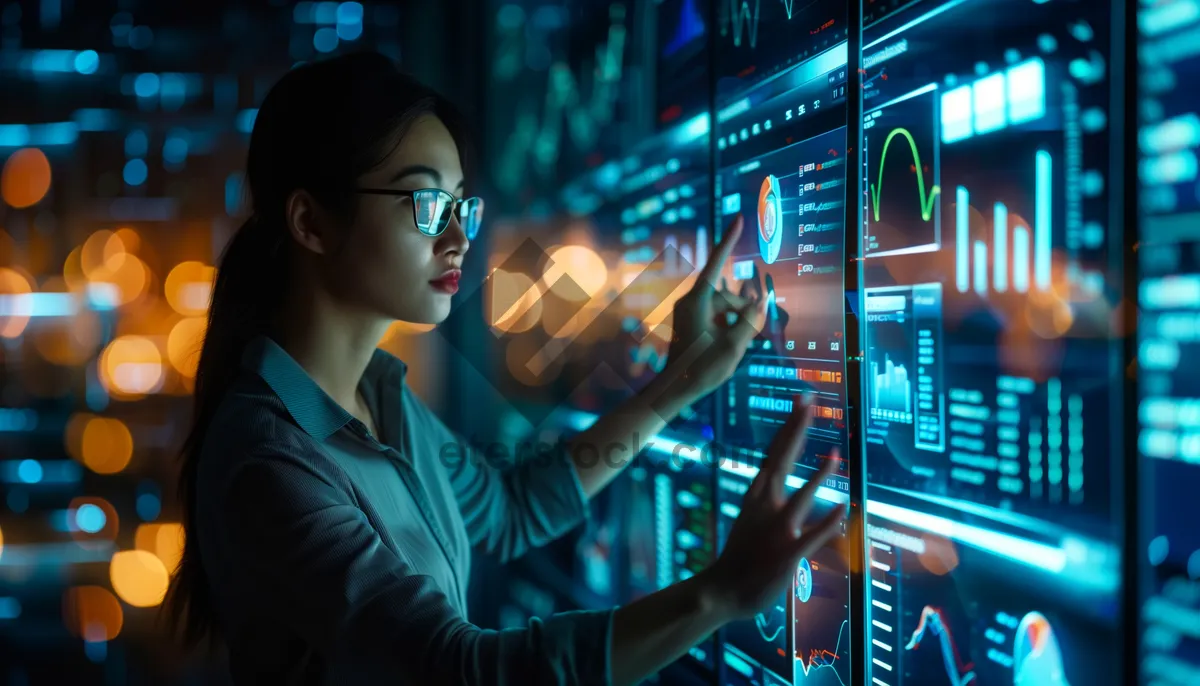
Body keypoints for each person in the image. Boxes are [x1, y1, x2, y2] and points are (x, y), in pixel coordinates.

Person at [163, 51, 846, 686]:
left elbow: (509, 511)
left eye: (462, 205)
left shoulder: (378, 395)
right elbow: (457, 671)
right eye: (427, 205)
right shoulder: (271, 461)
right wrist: (717, 594)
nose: (460, 237)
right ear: (311, 222)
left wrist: (680, 383)